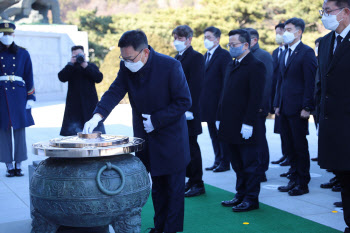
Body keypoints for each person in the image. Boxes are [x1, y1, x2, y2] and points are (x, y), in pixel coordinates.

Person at [83, 30, 191, 233]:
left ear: (145, 52)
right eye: (122, 58)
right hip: (146, 138)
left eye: (130, 58)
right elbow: (114, 91)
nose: (126, 62)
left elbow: (184, 101)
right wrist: (97, 116)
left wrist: (157, 120)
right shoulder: (127, 67)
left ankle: (170, 230)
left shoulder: (170, 66)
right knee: (157, 187)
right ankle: (159, 227)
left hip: (170, 138)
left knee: (173, 189)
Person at [218, 29, 266, 212]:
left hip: (245, 125)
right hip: (230, 123)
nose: (231, 48)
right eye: (229, 45)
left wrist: (249, 123)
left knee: (250, 164)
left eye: (234, 44)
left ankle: (251, 199)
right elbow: (225, 94)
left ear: (246, 45)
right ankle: (240, 194)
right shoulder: (233, 64)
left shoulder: (255, 65)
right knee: (237, 163)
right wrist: (219, 116)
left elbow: (255, 97)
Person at [316, 0, 350, 232]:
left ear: (345, 12)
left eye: (328, 11)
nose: (324, 16)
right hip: (333, 124)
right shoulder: (327, 41)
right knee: (345, 179)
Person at [274, 17, 317, 196]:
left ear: (299, 32)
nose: (285, 33)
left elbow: (310, 82)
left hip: (299, 108)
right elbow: (280, 80)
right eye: (284, 29)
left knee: (300, 146)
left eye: (289, 29)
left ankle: (302, 182)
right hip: (284, 107)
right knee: (289, 146)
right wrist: (277, 104)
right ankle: (293, 178)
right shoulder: (284, 52)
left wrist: (307, 106)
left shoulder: (306, 52)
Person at [172, 25, 205, 197]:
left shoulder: (196, 57)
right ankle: (191, 180)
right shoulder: (178, 57)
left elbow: (196, 85)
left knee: (192, 147)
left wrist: (190, 109)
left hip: (190, 111)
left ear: (189, 39)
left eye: (180, 38)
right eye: (175, 38)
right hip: (179, 111)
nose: (176, 41)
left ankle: (198, 182)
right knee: (185, 147)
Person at [0, 21, 35, 177]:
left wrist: (31, 96)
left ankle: (19, 163)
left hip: (19, 95)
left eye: (9, 34)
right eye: (4, 34)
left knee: (20, 130)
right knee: (3, 130)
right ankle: (8, 164)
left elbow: (29, 76)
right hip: (1, 95)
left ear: (13, 35)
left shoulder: (23, 53)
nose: (7, 37)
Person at [200, 26, 232, 172]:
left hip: (219, 103)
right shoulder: (205, 56)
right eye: (205, 37)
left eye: (209, 37)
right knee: (213, 134)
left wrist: (223, 103)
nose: (206, 40)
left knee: (222, 134)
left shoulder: (223, 55)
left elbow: (226, 80)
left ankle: (225, 162)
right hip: (208, 103)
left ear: (218, 39)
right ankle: (217, 159)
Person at [245, 28, 273, 182]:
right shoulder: (245, 56)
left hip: (259, 106)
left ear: (254, 40)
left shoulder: (263, 56)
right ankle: (254, 167)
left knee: (259, 138)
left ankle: (262, 169)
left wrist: (261, 105)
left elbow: (267, 83)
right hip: (247, 106)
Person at [58, 45, 105, 136]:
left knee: (94, 134)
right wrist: (70, 64)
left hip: (90, 105)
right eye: (75, 55)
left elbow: (99, 78)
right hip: (74, 106)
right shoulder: (70, 67)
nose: (78, 57)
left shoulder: (90, 66)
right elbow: (62, 77)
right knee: (72, 134)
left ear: (84, 54)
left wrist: (85, 66)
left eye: (79, 55)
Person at [270, 23, 290, 167]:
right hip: (278, 94)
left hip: (289, 96)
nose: (278, 35)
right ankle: (285, 154)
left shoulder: (292, 50)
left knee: (290, 131)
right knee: (282, 129)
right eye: (276, 32)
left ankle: (290, 156)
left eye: (281, 32)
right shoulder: (276, 51)